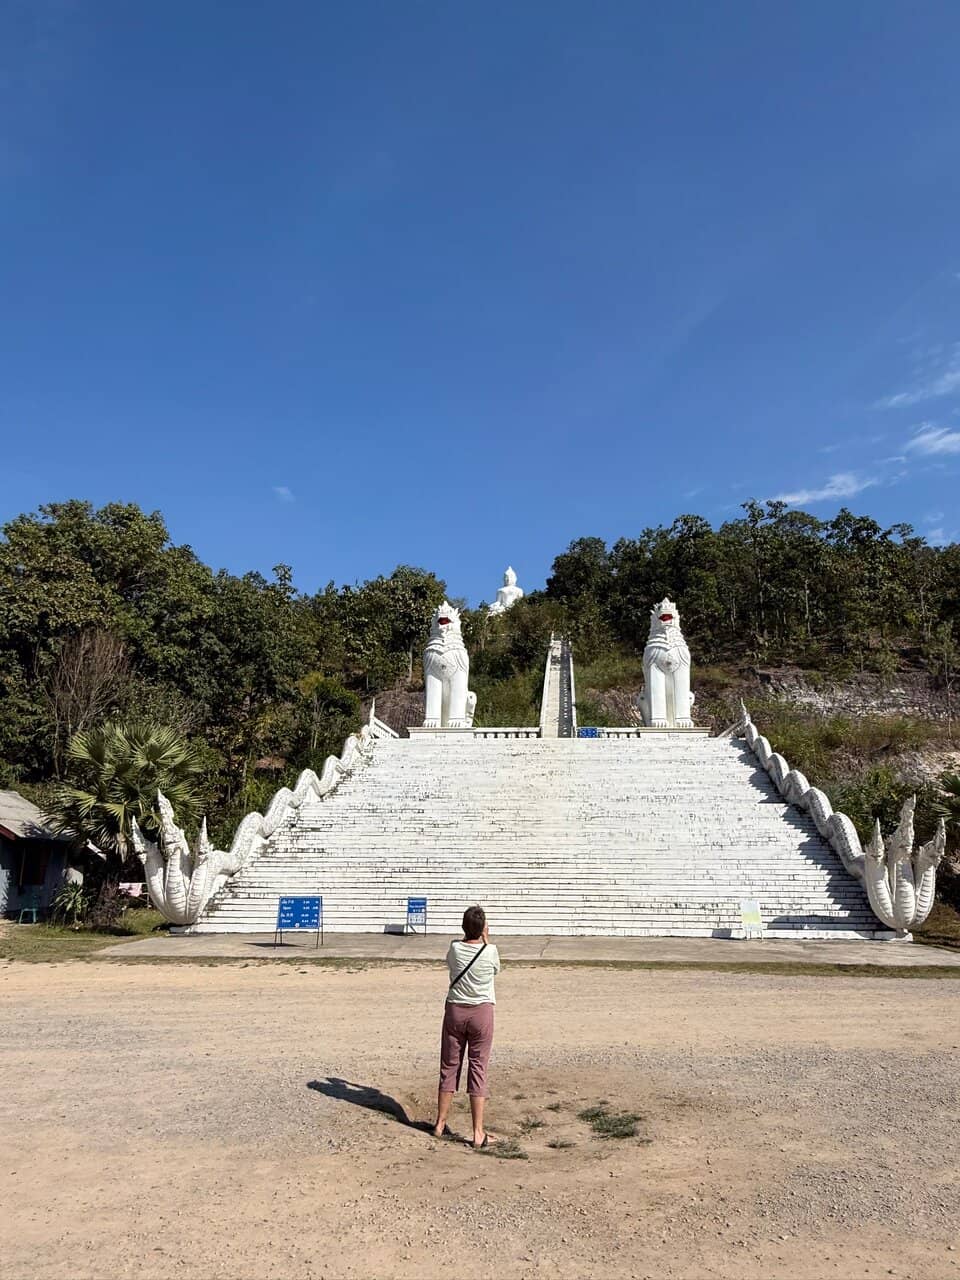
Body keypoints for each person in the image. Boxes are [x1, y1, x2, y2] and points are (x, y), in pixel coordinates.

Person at [433, 904, 501, 1148]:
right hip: (481, 1012)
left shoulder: (454, 949)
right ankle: (477, 1132)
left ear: (463, 927)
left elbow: (455, 953)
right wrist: (485, 938)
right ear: (483, 928)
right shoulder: (490, 950)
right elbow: (496, 970)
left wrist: (470, 933)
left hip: (455, 1010)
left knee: (449, 1064)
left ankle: (440, 1123)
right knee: (478, 1067)